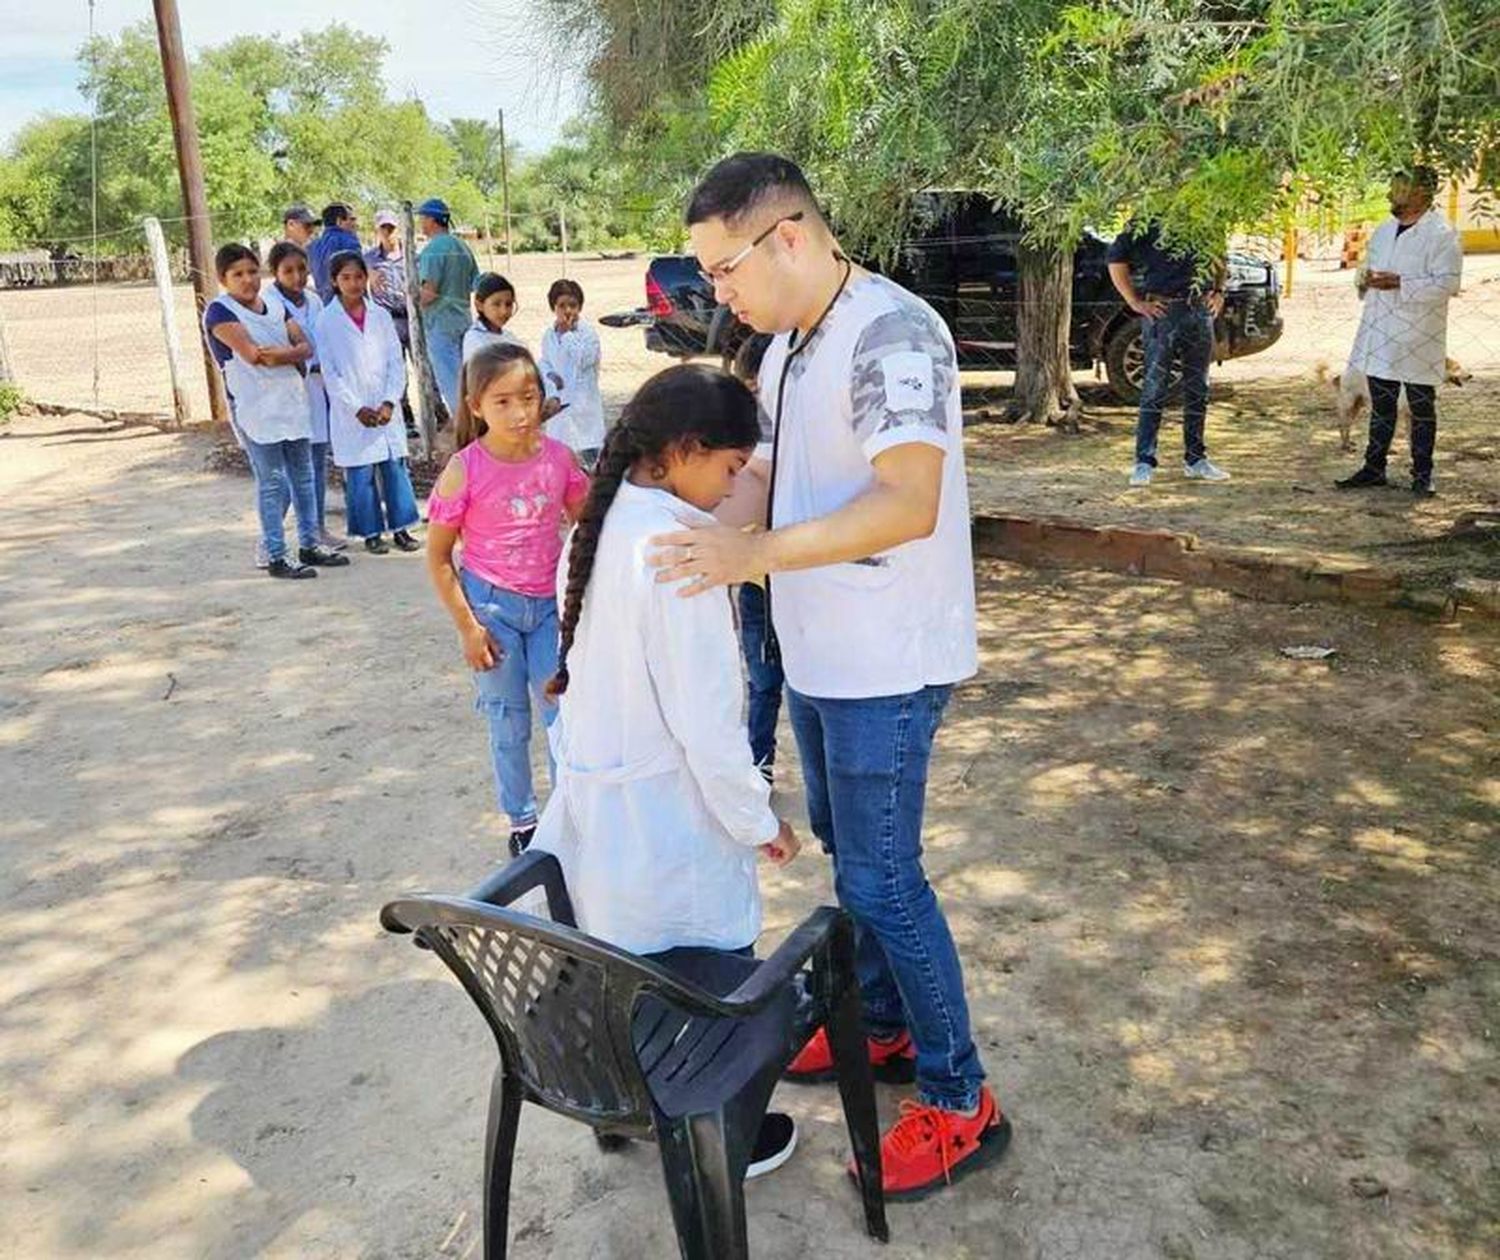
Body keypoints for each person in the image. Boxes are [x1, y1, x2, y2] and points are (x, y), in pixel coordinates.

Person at [649, 152, 1009, 1200]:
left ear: (789, 238)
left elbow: (908, 504)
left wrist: (748, 556)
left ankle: (959, 1099)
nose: (717, 292)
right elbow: (773, 477)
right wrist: (668, 513)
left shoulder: (891, 333)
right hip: (823, 655)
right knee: (857, 860)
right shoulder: (794, 344)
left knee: (883, 881)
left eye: (722, 270)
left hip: (886, 663)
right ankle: (887, 1030)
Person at [531, 362, 802, 1179]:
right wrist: (761, 823)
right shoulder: (681, 553)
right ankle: (725, 1131)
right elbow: (711, 730)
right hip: (667, 827)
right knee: (712, 973)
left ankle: (624, 1105)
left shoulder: (599, 526)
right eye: (727, 467)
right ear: (684, 451)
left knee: (628, 966)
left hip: (604, 824)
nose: (730, 488)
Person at [425, 342, 590, 855]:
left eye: (530, 397)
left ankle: (573, 812)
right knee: (508, 720)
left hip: (549, 611)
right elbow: (438, 558)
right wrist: (469, 629)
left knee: (565, 714)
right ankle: (523, 821)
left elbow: (587, 527)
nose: (521, 413)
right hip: (491, 610)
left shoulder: (560, 459)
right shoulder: (465, 469)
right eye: (503, 402)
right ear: (476, 407)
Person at [203, 243, 348, 579]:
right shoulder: (220, 312)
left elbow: (305, 346)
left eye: (252, 272)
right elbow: (254, 355)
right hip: (255, 407)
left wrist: (283, 354)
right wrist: (290, 353)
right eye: (237, 274)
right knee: (271, 480)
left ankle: (310, 542)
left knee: (303, 474)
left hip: (291, 403)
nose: (247, 280)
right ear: (223, 279)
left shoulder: (272, 305)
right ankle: (276, 553)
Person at [1336, 167, 1463, 497]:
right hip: (1380, 330)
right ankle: (1373, 467)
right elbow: (1367, 268)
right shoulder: (1383, 230)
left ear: (1421, 193)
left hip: (1420, 334)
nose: (1390, 195)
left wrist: (1401, 283)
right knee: (1382, 404)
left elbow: (1449, 283)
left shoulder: (1442, 234)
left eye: (1398, 189)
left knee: (1421, 406)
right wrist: (1363, 280)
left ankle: (1423, 474)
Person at [1106, 221, 1230, 487]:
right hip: (1163, 311)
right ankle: (1143, 461)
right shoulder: (1147, 218)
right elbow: (1116, 259)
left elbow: (1220, 255)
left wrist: (1219, 291)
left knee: (1198, 388)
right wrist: (1134, 302)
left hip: (1199, 311)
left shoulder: (1208, 214)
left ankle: (1196, 460)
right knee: (1154, 388)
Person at [315, 250, 422, 555]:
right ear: (335, 282)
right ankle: (371, 532)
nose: (353, 283)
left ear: (367, 278)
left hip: (385, 407)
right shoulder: (326, 321)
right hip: (354, 411)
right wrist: (356, 407)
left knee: (394, 469)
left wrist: (390, 401)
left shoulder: (381, 316)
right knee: (361, 475)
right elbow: (331, 372)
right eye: (345, 278)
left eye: (359, 277)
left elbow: (395, 362)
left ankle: (401, 529)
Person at [263, 240, 346, 551]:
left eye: (301, 269)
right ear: (275, 273)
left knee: (317, 462)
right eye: (288, 271)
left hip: (317, 389)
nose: (297, 276)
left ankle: (317, 528)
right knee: (290, 468)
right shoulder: (269, 303)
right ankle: (273, 535)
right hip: (286, 390)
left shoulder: (313, 300)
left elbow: (325, 341)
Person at [729, 334, 784, 783]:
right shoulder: (737, 440)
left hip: (801, 582)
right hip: (757, 584)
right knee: (763, 682)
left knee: (805, 686)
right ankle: (759, 766)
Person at [415, 197, 480, 418]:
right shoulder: (462, 247)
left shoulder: (433, 250)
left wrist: (410, 303)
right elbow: (475, 283)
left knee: (452, 383)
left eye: (423, 218)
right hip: (463, 319)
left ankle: (465, 430)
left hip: (440, 324)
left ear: (432, 220)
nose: (421, 223)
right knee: (468, 380)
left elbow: (429, 293)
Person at [538, 279, 606, 466]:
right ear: (554, 307)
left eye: (573, 305)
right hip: (560, 406)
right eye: (562, 306)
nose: (568, 311)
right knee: (561, 459)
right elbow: (545, 362)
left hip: (584, 407)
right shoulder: (549, 335)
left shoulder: (588, 334)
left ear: (580, 307)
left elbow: (584, 359)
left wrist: (567, 334)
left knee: (589, 460)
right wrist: (550, 376)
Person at [364, 210, 417, 438]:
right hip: (388, 320)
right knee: (397, 369)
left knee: (424, 368)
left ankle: (438, 413)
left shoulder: (412, 256)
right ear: (377, 230)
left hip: (412, 317)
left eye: (392, 228)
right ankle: (406, 417)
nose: (388, 233)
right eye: (383, 228)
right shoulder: (369, 259)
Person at [462, 273, 525, 364]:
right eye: (496, 304)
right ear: (479, 305)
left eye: (508, 304)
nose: (504, 311)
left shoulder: (510, 337)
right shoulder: (474, 339)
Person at [308, 202, 362, 305]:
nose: (354, 224)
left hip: (324, 305)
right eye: (350, 219)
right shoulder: (349, 241)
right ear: (339, 221)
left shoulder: (312, 246)